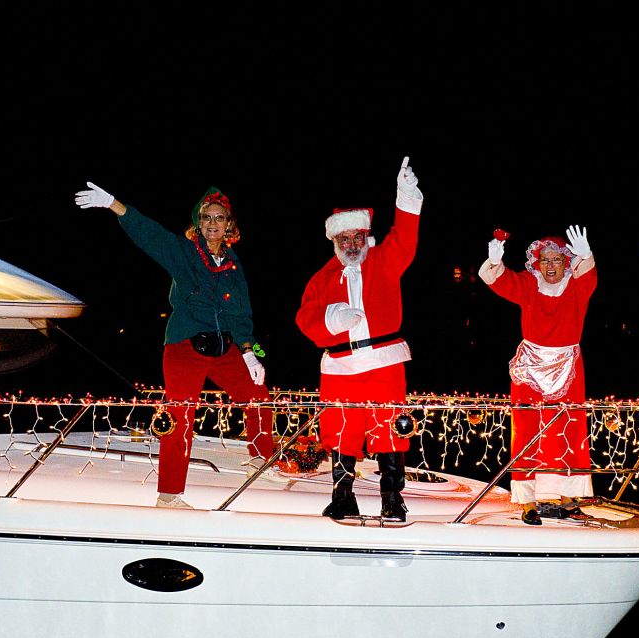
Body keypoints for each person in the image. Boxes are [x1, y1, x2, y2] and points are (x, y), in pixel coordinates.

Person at [74, 182, 272, 509]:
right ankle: (169, 495)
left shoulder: (233, 265)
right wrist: (114, 204)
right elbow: (151, 234)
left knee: (260, 398)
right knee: (179, 418)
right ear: (198, 222)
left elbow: (241, 313)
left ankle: (263, 458)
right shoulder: (184, 253)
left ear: (229, 225)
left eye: (219, 218)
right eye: (206, 217)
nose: (212, 223)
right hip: (185, 347)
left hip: (224, 349)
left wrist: (250, 351)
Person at [296, 157, 423, 521]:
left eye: (357, 237)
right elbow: (304, 319)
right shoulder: (322, 278)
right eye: (344, 238)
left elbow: (406, 236)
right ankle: (343, 497)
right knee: (339, 429)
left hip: (384, 360)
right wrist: (330, 319)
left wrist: (406, 196)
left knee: (389, 427)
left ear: (367, 237)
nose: (352, 243)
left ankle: (392, 499)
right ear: (335, 239)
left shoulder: (385, 261)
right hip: (340, 365)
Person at [480, 226, 596, 525]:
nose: (551, 265)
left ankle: (569, 497)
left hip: (567, 365)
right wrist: (495, 262)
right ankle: (528, 499)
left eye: (557, 259)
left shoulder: (575, 286)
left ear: (567, 262)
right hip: (530, 366)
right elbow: (502, 281)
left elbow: (589, 277)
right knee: (527, 431)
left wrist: (587, 256)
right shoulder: (530, 285)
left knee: (568, 430)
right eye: (545, 260)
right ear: (536, 263)